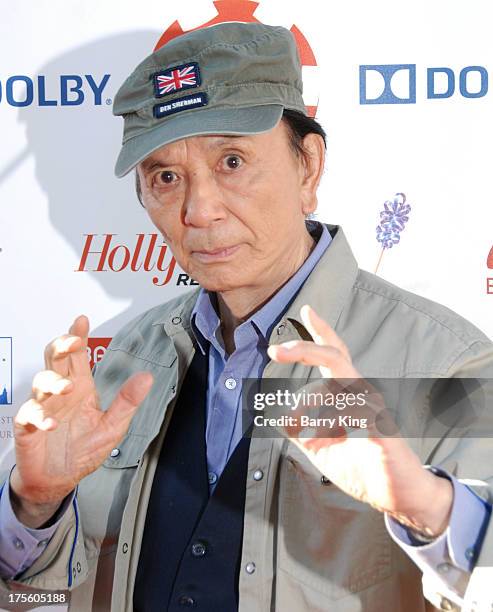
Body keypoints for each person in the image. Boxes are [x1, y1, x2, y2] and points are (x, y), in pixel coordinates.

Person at [0, 22, 492, 612]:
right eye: (165, 177)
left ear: (307, 166)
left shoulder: (447, 361)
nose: (199, 210)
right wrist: (34, 507)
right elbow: (41, 600)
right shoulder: (127, 361)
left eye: (231, 160)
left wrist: (425, 504)